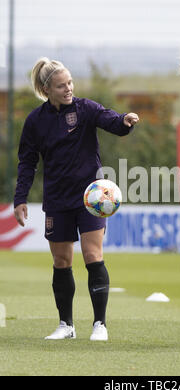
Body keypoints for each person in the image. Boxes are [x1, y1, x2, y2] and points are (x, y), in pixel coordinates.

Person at [14, 57, 139, 341]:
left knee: (93, 255)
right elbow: (27, 162)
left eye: (70, 82)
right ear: (47, 90)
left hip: (91, 198)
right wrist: (20, 198)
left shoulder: (85, 108)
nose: (68, 88)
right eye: (61, 86)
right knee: (61, 261)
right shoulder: (35, 121)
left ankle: (100, 325)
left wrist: (125, 122)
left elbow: (112, 121)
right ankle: (66, 325)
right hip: (57, 199)